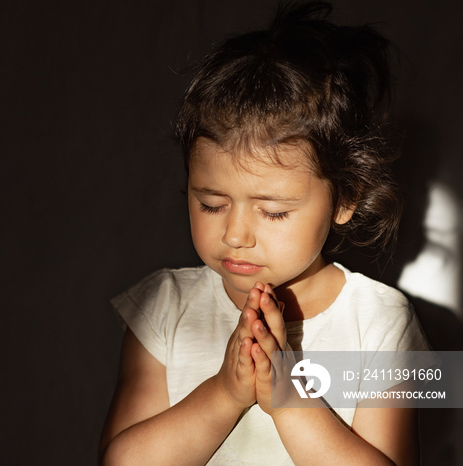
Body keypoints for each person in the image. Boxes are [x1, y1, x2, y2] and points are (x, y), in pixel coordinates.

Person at [99, 2, 431, 465]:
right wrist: (223, 394)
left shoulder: (381, 324)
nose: (235, 234)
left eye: (272, 212)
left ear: (345, 199)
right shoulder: (163, 307)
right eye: (211, 203)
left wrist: (287, 397)